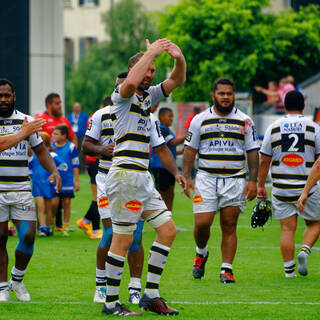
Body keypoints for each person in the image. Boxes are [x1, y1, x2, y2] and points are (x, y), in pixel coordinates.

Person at [101, 38, 186, 316]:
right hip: (126, 176)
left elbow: (177, 80)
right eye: (146, 70)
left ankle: (150, 295)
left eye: (153, 70)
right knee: (122, 240)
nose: (150, 74)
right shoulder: (121, 94)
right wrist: (150, 53)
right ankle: (111, 303)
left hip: (142, 178)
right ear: (134, 69)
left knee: (168, 230)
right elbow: (131, 81)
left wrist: (178, 57)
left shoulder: (148, 99)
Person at [183, 77, 260, 283]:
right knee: (202, 223)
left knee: (229, 224)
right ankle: (201, 252)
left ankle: (226, 269)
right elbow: (190, 150)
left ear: (233, 95)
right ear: (213, 96)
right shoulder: (199, 119)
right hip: (206, 178)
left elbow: (252, 152)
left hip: (235, 178)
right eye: (221, 93)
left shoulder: (245, 120)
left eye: (229, 93)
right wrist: (185, 175)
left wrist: (253, 181)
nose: (225, 97)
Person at [0, 79, 61, 302]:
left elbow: (41, 150)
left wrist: (54, 171)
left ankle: (17, 279)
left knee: (28, 235)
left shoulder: (26, 121)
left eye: (7, 95)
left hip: (21, 189)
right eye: (0, 96)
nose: (3, 99)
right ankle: (2, 287)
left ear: (14, 96)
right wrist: (22, 133)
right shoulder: (26, 126)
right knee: (0, 238)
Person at [83, 97, 145, 305]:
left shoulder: (143, 114)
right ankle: (101, 285)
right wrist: (102, 150)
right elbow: (86, 145)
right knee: (110, 233)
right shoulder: (101, 115)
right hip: (106, 180)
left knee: (135, 236)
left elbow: (159, 146)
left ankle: (135, 287)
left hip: (134, 181)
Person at [258, 90, 320, 278]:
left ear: (284, 106)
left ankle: (289, 272)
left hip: (281, 187)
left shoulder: (274, 127)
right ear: (303, 106)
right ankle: (305, 250)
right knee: (315, 223)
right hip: (308, 187)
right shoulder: (314, 127)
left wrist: (261, 185)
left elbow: (264, 160)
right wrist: (306, 190)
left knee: (287, 228)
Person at [35, 93, 78, 231]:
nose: (60, 106)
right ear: (49, 105)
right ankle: (44, 224)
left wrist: (72, 152)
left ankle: (54, 224)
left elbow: (73, 137)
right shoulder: (40, 119)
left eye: (60, 103)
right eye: (57, 103)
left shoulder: (64, 121)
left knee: (58, 199)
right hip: (42, 167)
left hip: (59, 165)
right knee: (44, 197)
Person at [29, 131, 65, 236]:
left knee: (49, 208)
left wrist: (55, 174)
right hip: (37, 184)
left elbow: (63, 165)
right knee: (40, 206)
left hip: (49, 184)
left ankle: (48, 226)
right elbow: (29, 168)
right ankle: (42, 228)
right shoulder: (33, 155)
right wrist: (31, 176)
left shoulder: (52, 155)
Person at [150, 107, 185, 211]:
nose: (171, 118)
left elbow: (170, 149)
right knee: (161, 194)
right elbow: (172, 143)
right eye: (169, 116)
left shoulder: (168, 130)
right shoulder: (161, 129)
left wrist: (180, 152)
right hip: (160, 166)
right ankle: (160, 218)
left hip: (169, 167)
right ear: (161, 116)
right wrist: (190, 136)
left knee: (170, 193)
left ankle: (168, 217)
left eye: (172, 116)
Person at [51, 124, 80, 237]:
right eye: (53, 133)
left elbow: (76, 164)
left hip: (67, 180)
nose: (53, 136)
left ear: (64, 136)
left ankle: (66, 228)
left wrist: (76, 181)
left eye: (56, 134)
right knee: (54, 203)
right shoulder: (50, 146)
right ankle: (52, 224)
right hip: (53, 181)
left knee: (66, 203)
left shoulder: (71, 147)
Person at [67, 102, 89, 173]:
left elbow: (87, 126)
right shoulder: (69, 116)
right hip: (72, 137)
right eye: (76, 107)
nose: (77, 109)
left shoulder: (84, 116)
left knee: (82, 153)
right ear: (73, 108)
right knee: (73, 152)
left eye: (78, 107)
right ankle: (72, 168)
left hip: (82, 137)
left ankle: (82, 169)